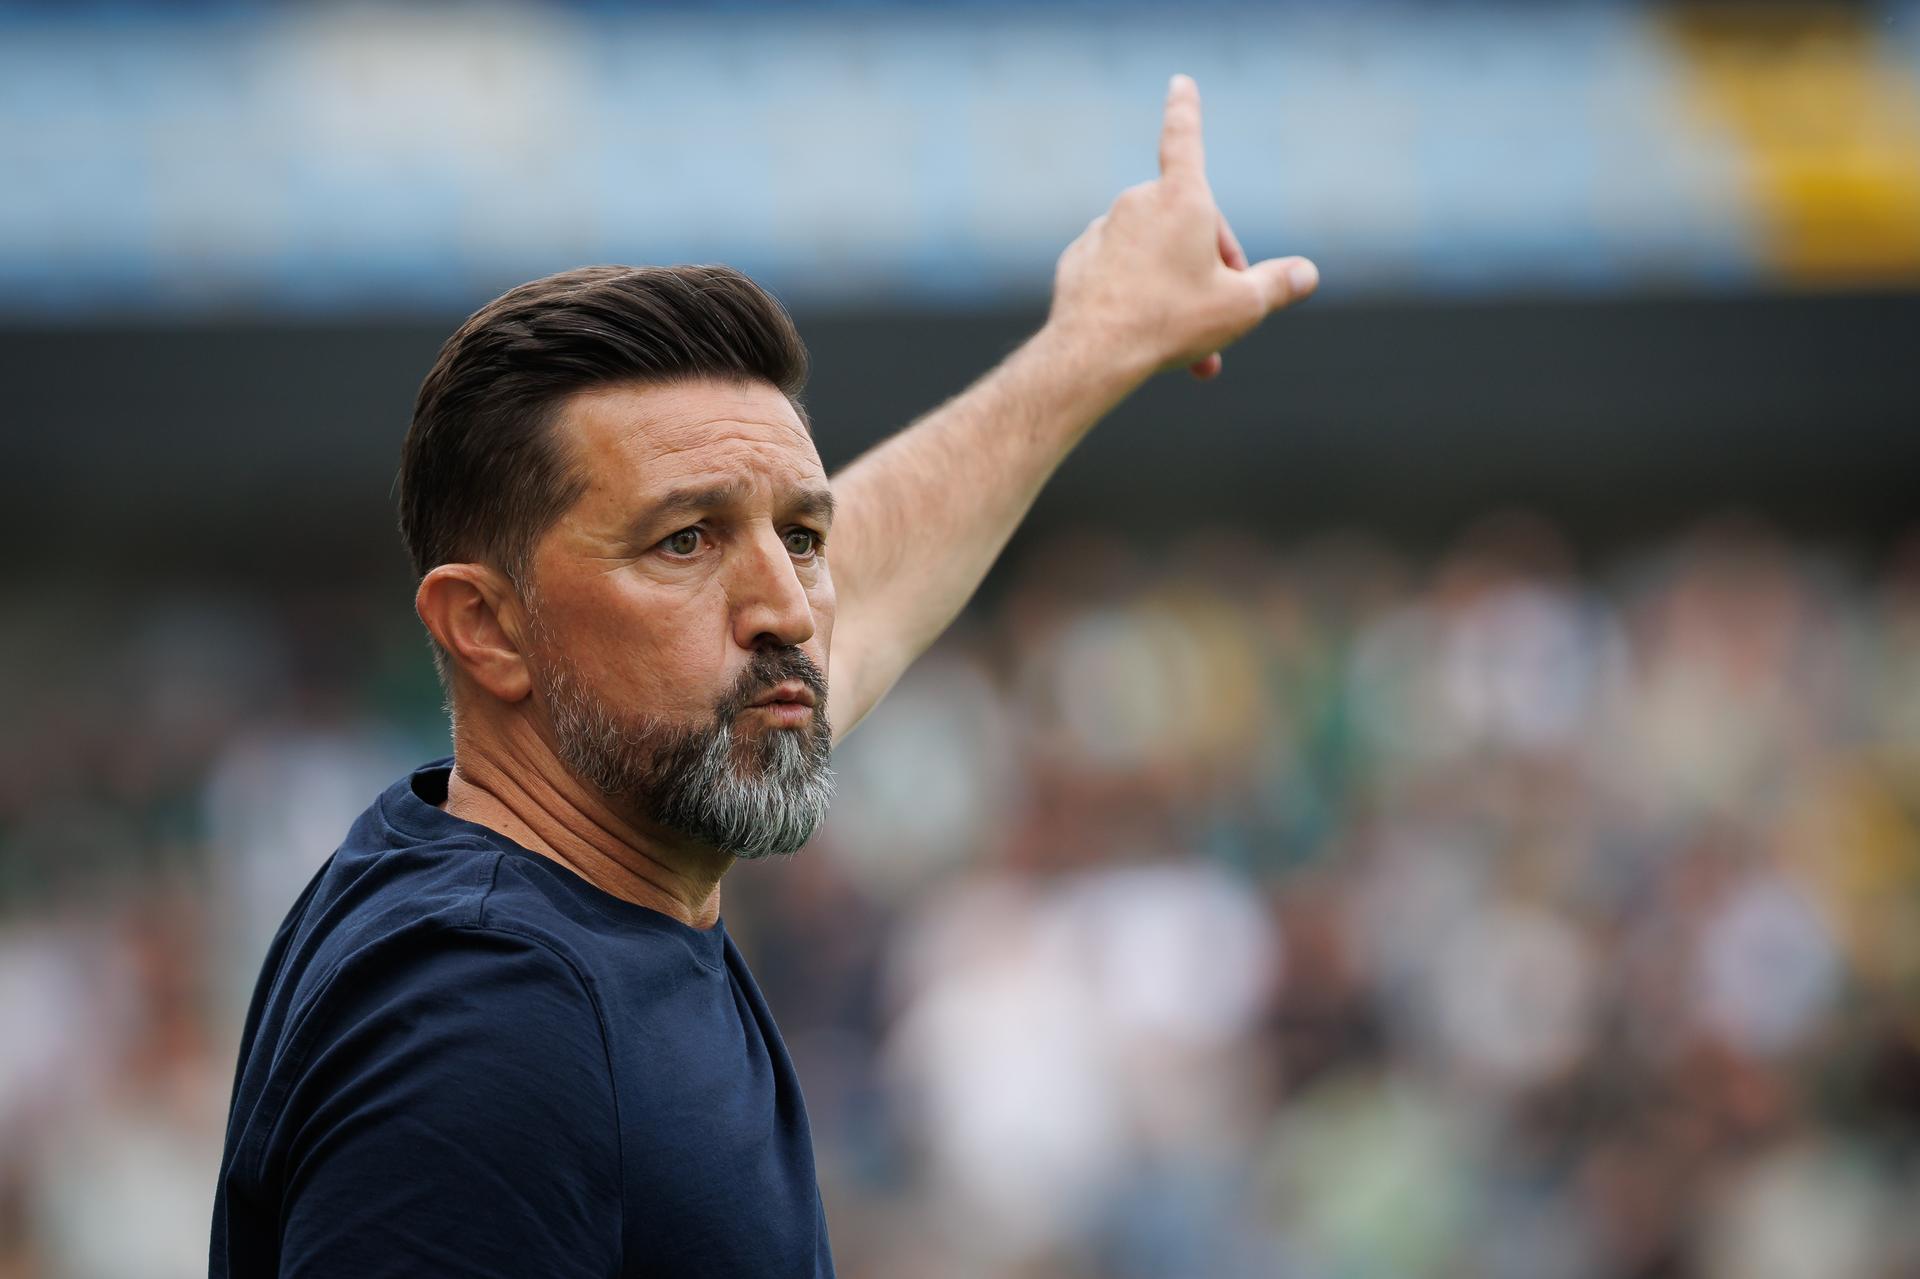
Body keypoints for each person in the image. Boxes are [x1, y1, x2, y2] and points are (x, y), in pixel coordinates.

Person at [210, 75, 1317, 1278]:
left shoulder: (567, 844)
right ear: (488, 628)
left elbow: (872, 576)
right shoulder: (489, 1023)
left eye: (798, 534)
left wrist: (1093, 347)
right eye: (683, 541)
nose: (788, 608)